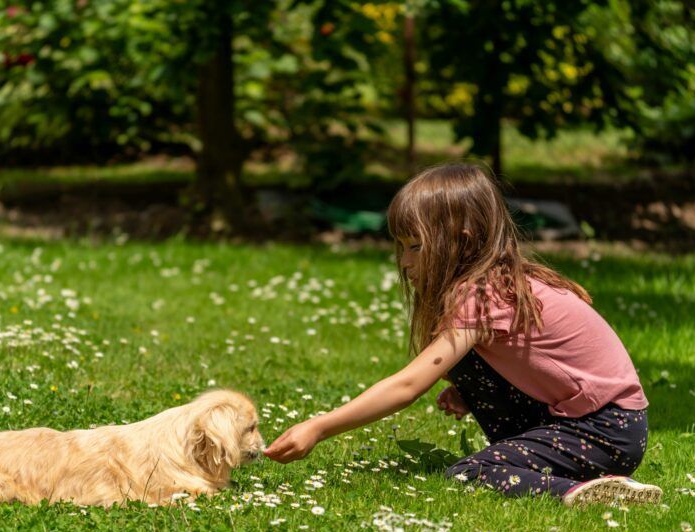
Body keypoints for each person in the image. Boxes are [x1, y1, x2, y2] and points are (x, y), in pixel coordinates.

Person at [263, 163, 662, 507]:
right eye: (400, 248)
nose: (404, 263)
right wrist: (473, 389)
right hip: (604, 424)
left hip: (605, 430)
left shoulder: (483, 295)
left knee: (472, 472)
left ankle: (579, 491)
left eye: (415, 247)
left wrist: (319, 427)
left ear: (462, 240)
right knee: (462, 360)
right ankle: (554, 468)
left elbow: (407, 385)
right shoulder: (496, 283)